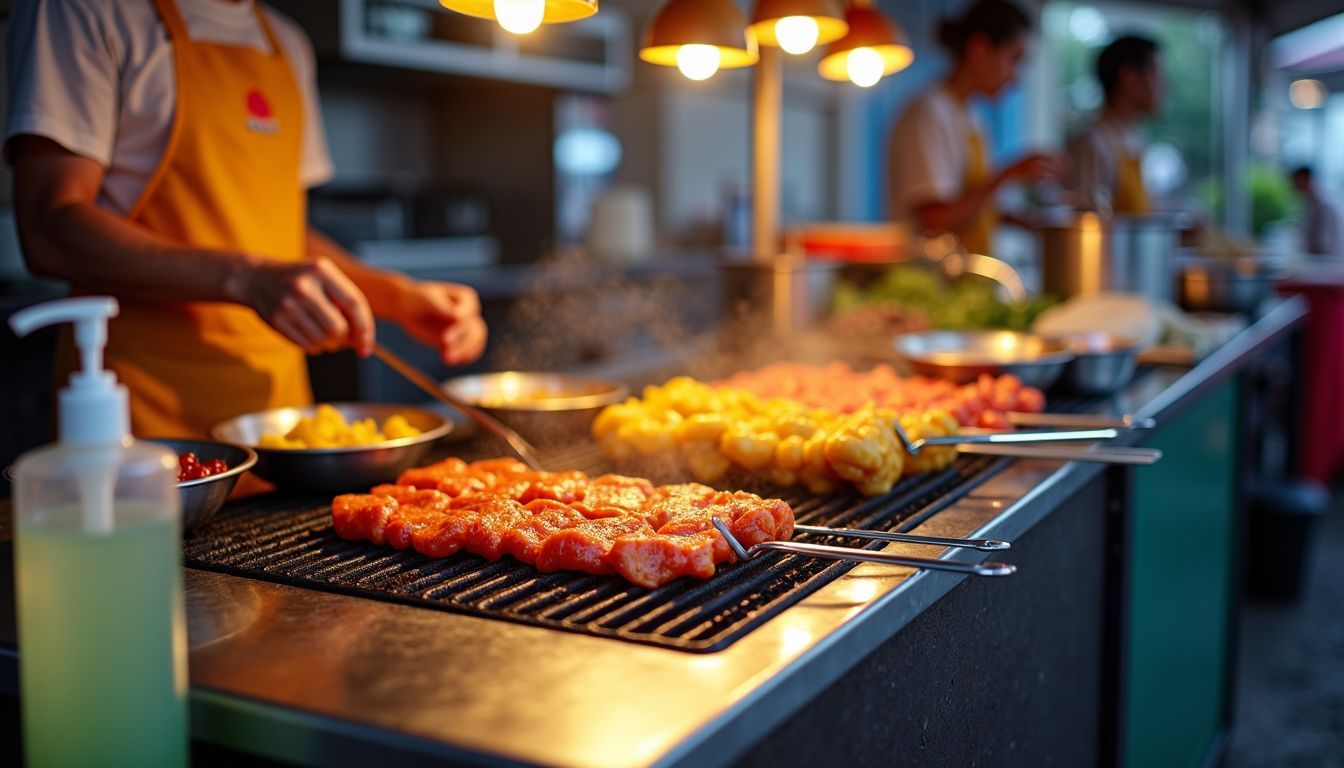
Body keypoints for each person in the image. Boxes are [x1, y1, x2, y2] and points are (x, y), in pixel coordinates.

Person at [5, 0, 488, 438]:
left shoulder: (286, 43)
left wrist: (396, 297)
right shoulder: (82, 10)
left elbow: (279, 233)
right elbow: (50, 227)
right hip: (141, 417)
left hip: (278, 426)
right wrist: (246, 278)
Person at [887, 0, 1064, 256]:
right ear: (979, 48)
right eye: (1014, 59)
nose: (1015, 76)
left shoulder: (971, 115)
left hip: (967, 275)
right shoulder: (929, 113)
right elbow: (936, 222)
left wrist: (1023, 221)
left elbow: (969, 206)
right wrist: (1008, 173)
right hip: (934, 280)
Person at [1067, 35, 1163, 214]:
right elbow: (1086, 220)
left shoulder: (1136, 138)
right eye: (1155, 74)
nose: (1163, 86)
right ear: (1129, 76)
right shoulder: (1092, 142)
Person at [1290, 166, 1344, 261]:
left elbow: (1323, 246)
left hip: (1329, 264)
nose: (1292, 185)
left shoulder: (1324, 205)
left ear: (1303, 179)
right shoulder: (1312, 203)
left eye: (1295, 181)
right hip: (1323, 261)